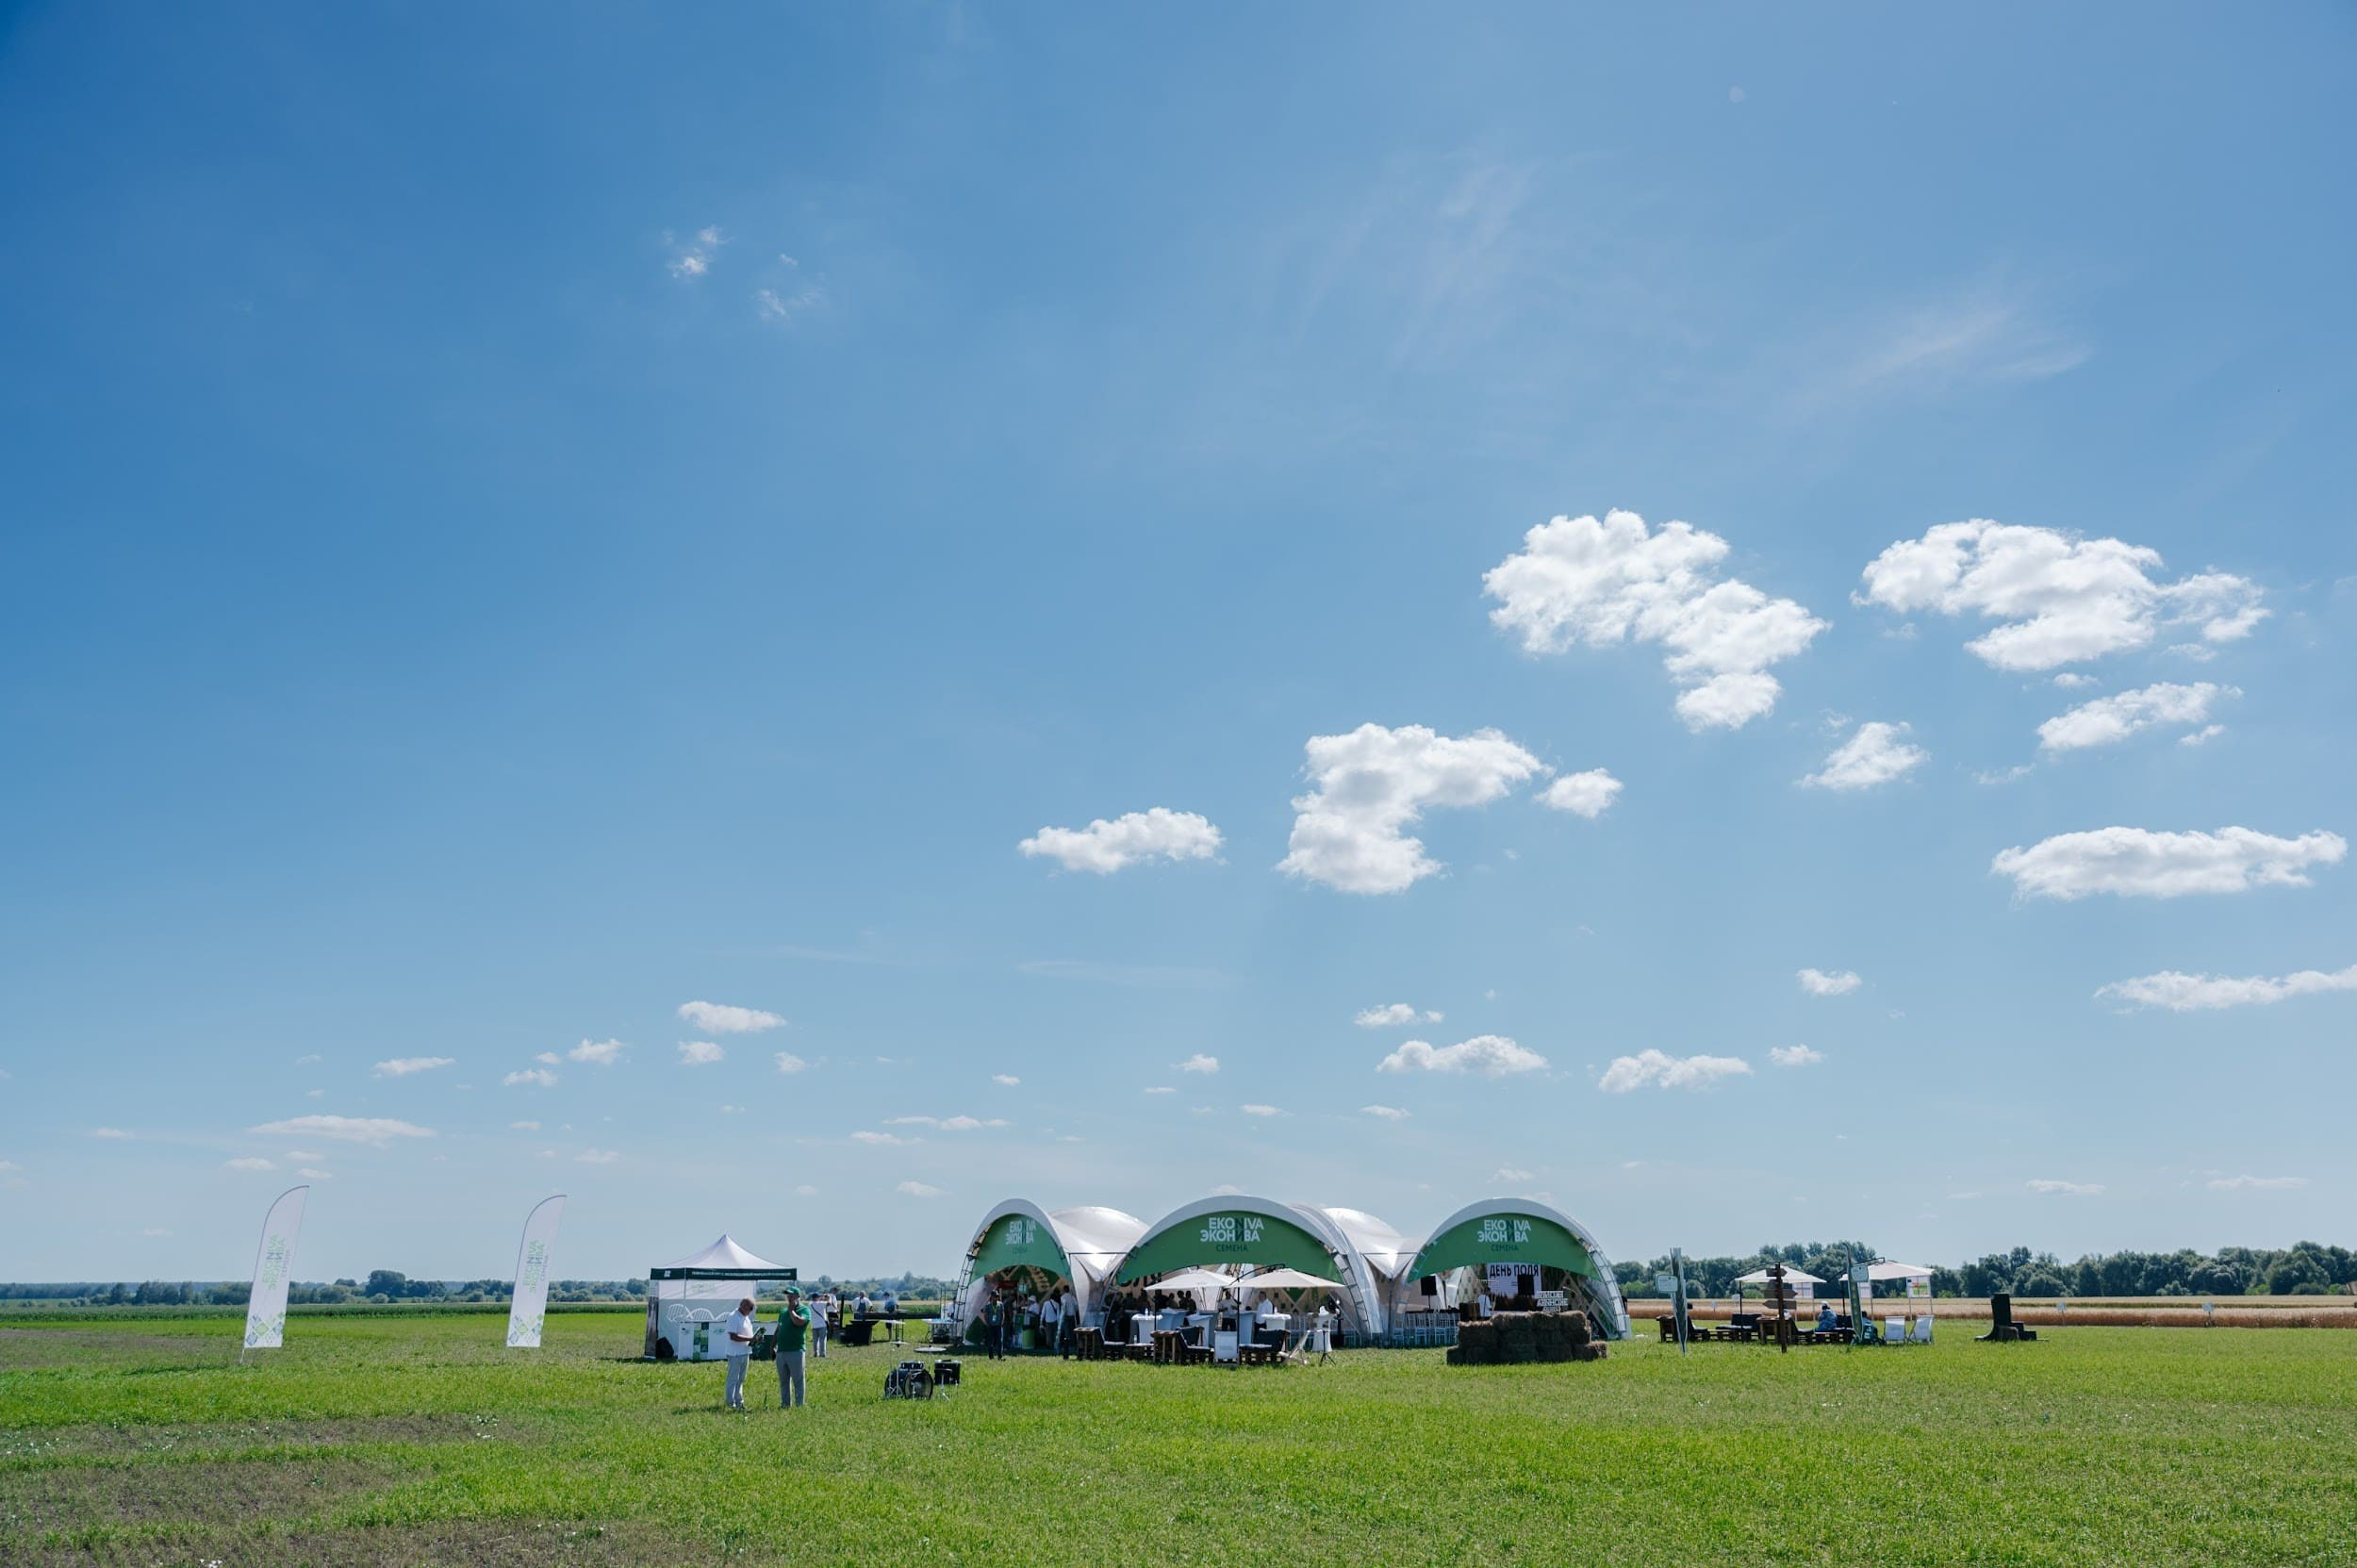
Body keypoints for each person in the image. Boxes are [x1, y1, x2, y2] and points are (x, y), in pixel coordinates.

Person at [773, 1287, 816, 1410]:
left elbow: (799, 1322)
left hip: (796, 1350)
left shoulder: (804, 1310)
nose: (789, 1298)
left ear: (798, 1296)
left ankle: (799, 1405)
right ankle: (785, 1404)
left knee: (798, 1380)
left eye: (792, 1295)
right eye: (788, 1296)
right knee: (783, 1381)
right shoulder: (783, 1311)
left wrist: (792, 1311)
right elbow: (778, 1329)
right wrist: (772, 1346)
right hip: (781, 1351)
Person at [721, 1296, 756, 1411]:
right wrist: (750, 1338)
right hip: (735, 1353)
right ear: (744, 1306)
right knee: (733, 1379)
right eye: (750, 1308)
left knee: (741, 1379)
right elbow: (733, 1336)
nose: (751, 1310)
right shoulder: (733, 1317)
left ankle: (739, 1402)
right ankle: (730, 1403)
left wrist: (755, 1339)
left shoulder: (745, 1318)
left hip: (744, 1352)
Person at [1039, 1289, 1063, 1358]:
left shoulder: (1046, 1303)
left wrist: (1041, 1321)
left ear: (1050, 1298)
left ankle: (1049, 1347)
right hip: (1055, 1321)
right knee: (1055, 1335)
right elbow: (1058, 1315)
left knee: (1048, 1335)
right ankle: (1055, 1347)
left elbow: (1043, 1313)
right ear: (1055, 1298)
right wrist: (1059, 1323)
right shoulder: (1057, 1304)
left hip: (1048, 1321)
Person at [982, 1293, 1005, 1360]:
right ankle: (991, 1356)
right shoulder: (988, 1306)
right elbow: (985, 1315)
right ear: (991, 1297)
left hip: (998, 1326)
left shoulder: (1001, 1304)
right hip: (991, 1326)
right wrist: (988, 1324)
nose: (996, 1298)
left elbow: (1002, 1314)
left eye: (997, 1296)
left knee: (1000, 1341)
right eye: (995, 1296)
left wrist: (1002, 1322)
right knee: (990, 1342)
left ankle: (1000, 1356)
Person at [811, 1291, 832, 1359]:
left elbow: (817, 1302)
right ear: (817, 1297)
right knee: (822, 1340)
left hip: (814, 1325)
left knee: (815, 1340)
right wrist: (829, 1297)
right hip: (822, 1325)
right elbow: (829, 1303)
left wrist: (821, 1298)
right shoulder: (821, 1304)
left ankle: (815, 1353)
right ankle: (822, 1354)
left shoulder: (810, 1304)